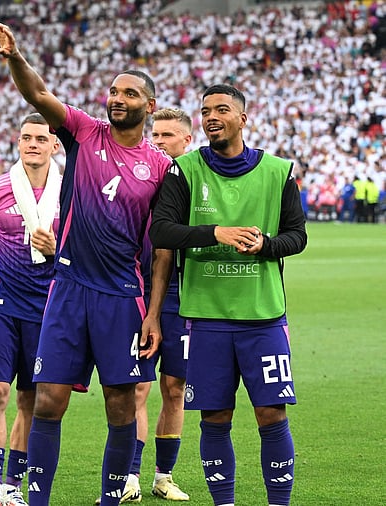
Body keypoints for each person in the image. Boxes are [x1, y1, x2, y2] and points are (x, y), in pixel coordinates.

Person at [0, 21, 172, 506]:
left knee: (119, 406)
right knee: (48, 400)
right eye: (113, 91)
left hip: (121, 297)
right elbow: (40, 95)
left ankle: (110, 499)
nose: (117, 98)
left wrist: (153, 314)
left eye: (129, 93)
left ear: (148, 107)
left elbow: (160, 252)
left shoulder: (159, 168)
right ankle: (36, 500)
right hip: (67, 289)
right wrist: (15, 57)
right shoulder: (85, 132)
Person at [149, 84, 307, 506]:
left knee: (272, 415)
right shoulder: (183, 171)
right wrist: (215, 232)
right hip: (207, 318)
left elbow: (298, 236)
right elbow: (161, 231)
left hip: (263, 317)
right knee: (215, 418)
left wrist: (266, 245)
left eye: (221, 109)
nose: (211, 117)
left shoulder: (278, 171)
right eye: (205, 111)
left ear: (243, 118)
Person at [104, 108, 193, 504]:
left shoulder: (196, 184)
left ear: (187, 141)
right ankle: (129, 477)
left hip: (185, 299)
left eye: (168, 136)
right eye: (155, 135)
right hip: (139, 294)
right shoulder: (141, 182)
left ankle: (164, 476)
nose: (158, 141)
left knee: (175, 388)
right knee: (137, 385)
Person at [0, 113, 61, 506]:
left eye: (41, 139)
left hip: (48, 308)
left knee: (31, 398)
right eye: (26, 138)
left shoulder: (71, 191)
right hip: (3, 304)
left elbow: (82, 249)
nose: (32, 145)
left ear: (54, 145)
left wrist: (55, 251)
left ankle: (13, 484)